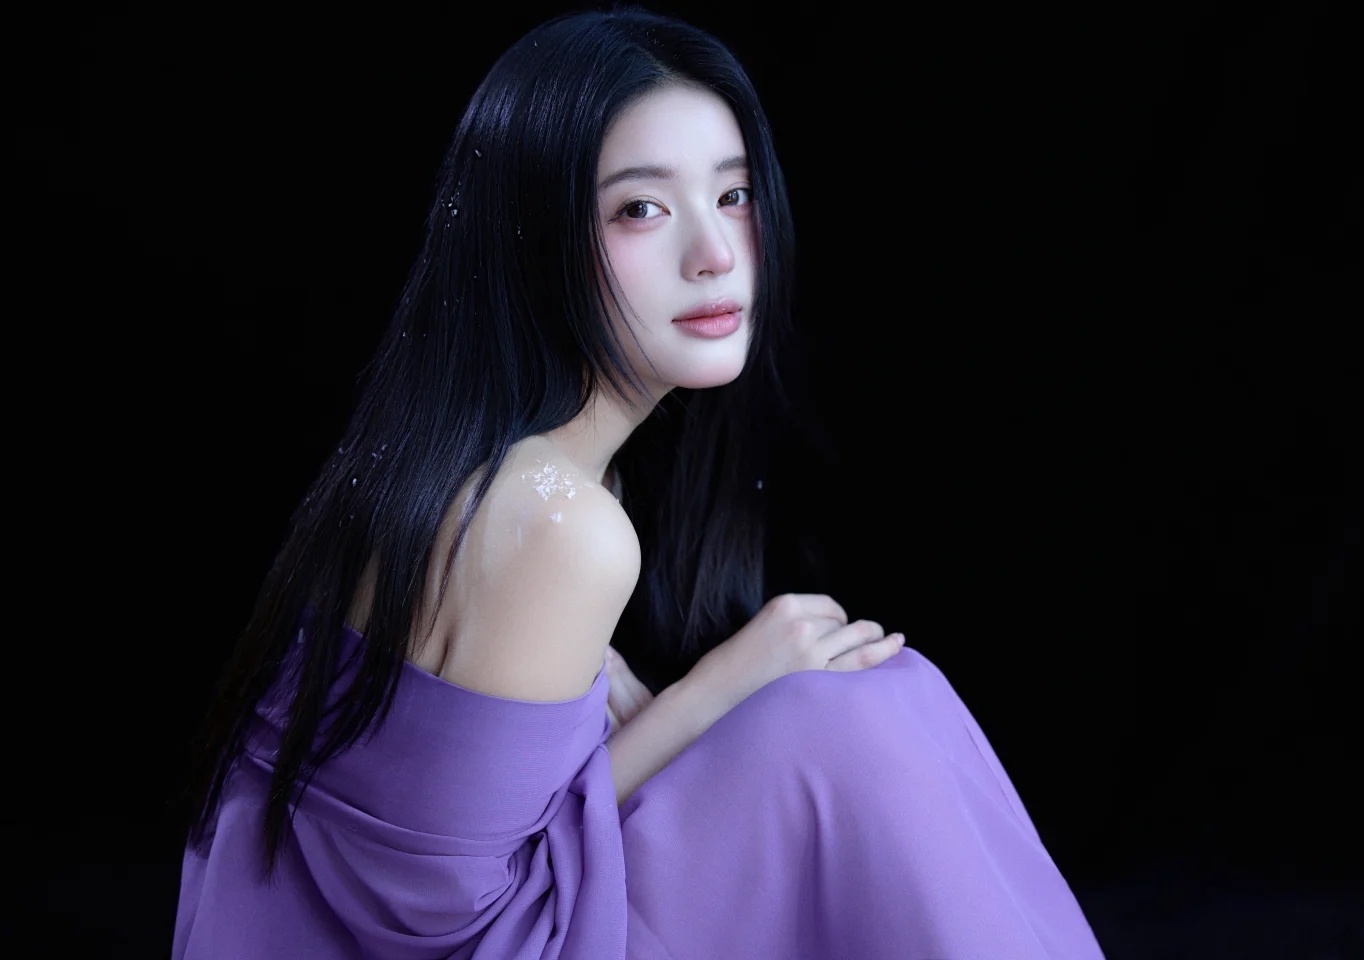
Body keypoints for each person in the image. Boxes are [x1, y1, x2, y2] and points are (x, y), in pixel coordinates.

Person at [174, 5, 1107, 958]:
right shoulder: (556, 523)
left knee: (856, 707)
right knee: (861, 718)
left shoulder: (510, 471)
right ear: (531, 241)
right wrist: (717, 691)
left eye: (733, 194)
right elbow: (453, 925)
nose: (715, 253)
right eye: (641, 209)